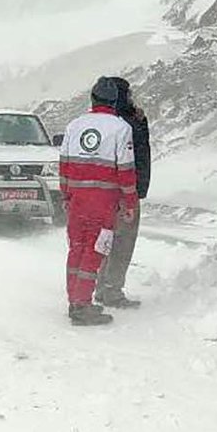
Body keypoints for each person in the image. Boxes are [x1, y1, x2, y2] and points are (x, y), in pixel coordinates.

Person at [58, 77, 139, 326]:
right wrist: (130, 202)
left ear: (92, 99)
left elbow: (63, 165)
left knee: (76, 248)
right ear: (114, 102)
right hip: (103, 202)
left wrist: (66, 195)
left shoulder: (75, 125)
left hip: (78, 201)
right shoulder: (120, 128)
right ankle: (83, 306)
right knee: (95, 251)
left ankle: (74, 300)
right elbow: (126, 170)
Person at [96, 77, 149, 308]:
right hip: (125, 192)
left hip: (104, 192)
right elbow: (133, 160)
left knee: (105, 240)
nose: (131, 98)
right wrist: (134, 193)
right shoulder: (126, 124)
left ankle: (101, 287)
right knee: (122, 242)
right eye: (128, 94)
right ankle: (112, 290)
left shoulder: (103, 123)